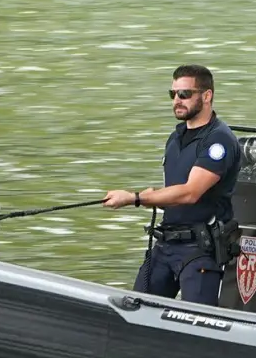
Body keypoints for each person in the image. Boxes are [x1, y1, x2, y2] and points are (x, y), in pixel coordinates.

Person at [103, 64, 242, 305]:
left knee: (199, 322)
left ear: (206, 96)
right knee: (135, 309)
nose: (177, 100)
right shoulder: (176, 136)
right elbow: (175, 190)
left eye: (185, 94)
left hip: (199, 250)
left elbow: (190, 193)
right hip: (166, 244)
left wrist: (135, 198)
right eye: (173, 94)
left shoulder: (218, 140)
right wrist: (153, 195)